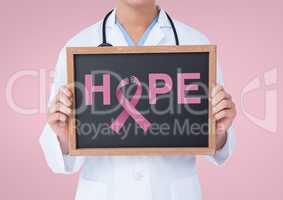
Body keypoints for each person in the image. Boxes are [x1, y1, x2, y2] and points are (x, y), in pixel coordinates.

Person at [39, 0, 236, 199]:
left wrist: (218, 130)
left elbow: (216, 146)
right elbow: (61, 161)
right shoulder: (78, 47)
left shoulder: (196, 44)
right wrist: (64, 135)